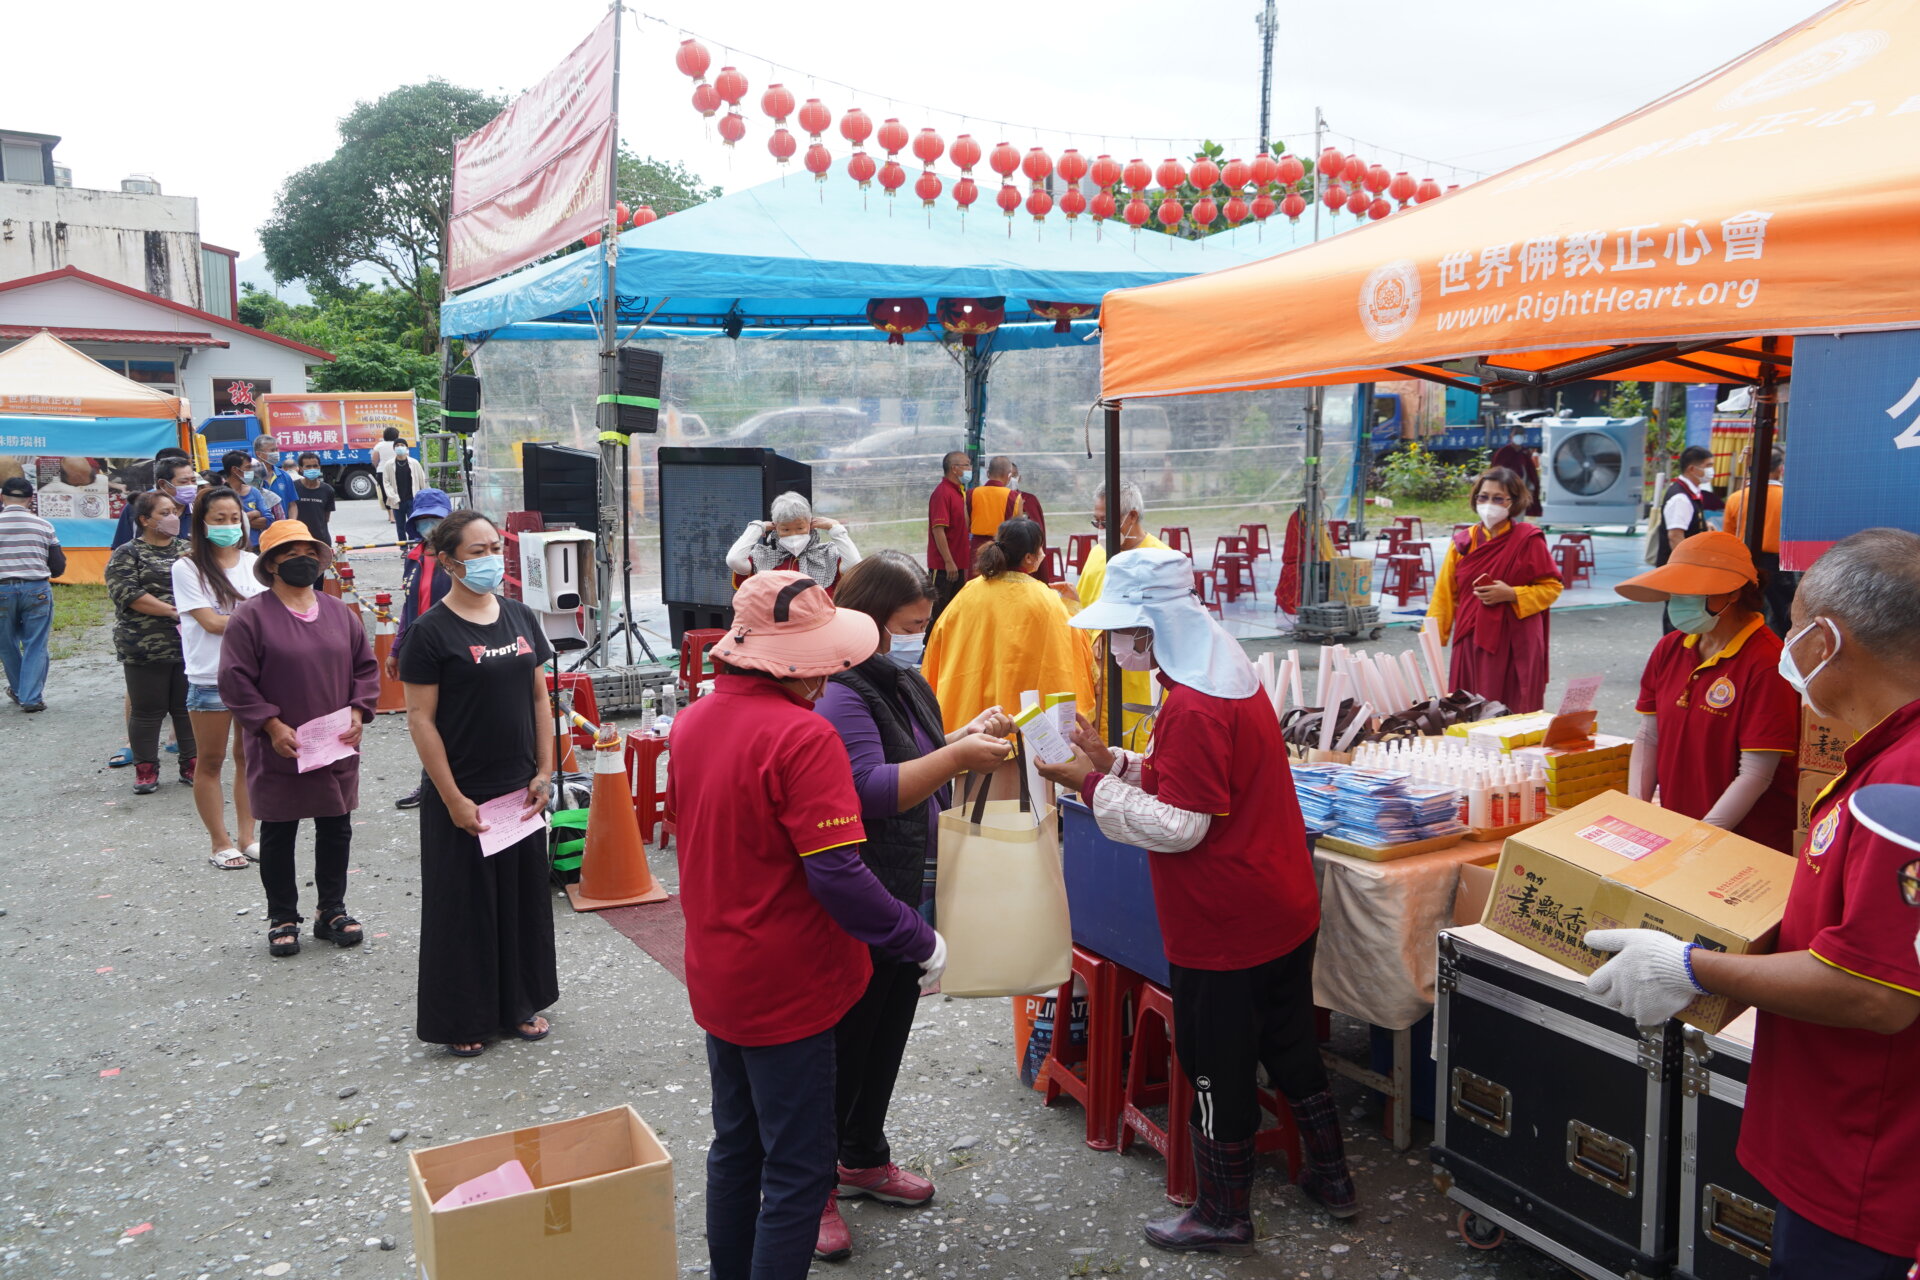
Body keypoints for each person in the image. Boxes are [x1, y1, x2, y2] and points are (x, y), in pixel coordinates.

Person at [1584, 528, 1920, 1280]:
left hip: (1864, 1159)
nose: (1787, 643)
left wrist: (1694, 967)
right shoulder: (1888, 754)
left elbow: (1877, 994)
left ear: (1828, 640)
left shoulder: (1904, 782)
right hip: (1847, 1138)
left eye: (1796, 625)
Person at [1033, 547, 1356, 1255]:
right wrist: (1113, 760)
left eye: (1119, 633)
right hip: (1280, 903)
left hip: (1224, 921)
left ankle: (1223, 1211)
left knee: (1214, 1064)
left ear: (1147, 632)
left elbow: (1182, 824)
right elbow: (1195, 782)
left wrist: (1086, 787)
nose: (1111, 645)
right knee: (1292, 1041)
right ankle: (1334, 1179)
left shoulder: (1192, 706)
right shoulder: (1226, 673)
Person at [667, 571, 945, 1280]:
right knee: (798, 1167)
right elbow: (839, 874)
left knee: (736, 1145)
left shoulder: (694, 718)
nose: (830, 672)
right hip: (790, 981)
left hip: (718, 969)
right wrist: (920, 938)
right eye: (820, 656)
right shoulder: (801, 735)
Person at [811, 553, 1015, 1260]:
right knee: (847, 1040)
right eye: (907, 626)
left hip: (911, 883)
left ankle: (862, 1155)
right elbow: (869, 787)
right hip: (865, 891)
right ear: (865, 623)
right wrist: (957, 760)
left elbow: (918, 753)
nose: (917, 639)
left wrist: (962, 736)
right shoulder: (842, 692)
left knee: (889, 1027)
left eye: (922, 626)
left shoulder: (902, 679)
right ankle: (814, 1191)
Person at [400, 511, 559, 1058]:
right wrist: (451, 798)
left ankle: (519, 1004)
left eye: (496, 547)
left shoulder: (519, 616)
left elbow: (540, 698)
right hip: (463, 790)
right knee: (462, 907)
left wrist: (545, 769)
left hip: (519, 787)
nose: (491, 558)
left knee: (521, 901)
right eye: (477, 550)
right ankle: (462, 1015)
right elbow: (419, 720)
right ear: (448, 562)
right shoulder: (429, 632)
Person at [218, 520, 380, 958]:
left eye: (308, 552)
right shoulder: (250, 617)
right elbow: (235, 681)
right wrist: (270, 725)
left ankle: (332, 910)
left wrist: (360, 710)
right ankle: (282, 917)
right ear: (271, 564)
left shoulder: (338, 613)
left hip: (336, 743)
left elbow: (365, 668)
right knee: (279, 830)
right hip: (280, 745)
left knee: (335, 825)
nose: (301, 561)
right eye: (289, 554)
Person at [1616, 531, 1800, 852]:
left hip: (1746, 842)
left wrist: (1702, 837)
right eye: (1675, 591)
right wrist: (1638, 811)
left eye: (1690, 591)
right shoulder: (1670, 647)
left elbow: (1756, 773)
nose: (1678, 600)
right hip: (1679, 828)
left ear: (1732, 593)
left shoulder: (1768, 663)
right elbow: (1649, 735)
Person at [922, 516, 1097, 745]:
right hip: (1031, 736)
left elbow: (939, 643)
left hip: (972, 726)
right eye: (1040, 549)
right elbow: (1075, 648)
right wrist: (1072, 605)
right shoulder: (1047, 600)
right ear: (1029, 557)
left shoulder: (968, 593)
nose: (1043, 554)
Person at [173, 487, 265, 869]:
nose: (229, 525)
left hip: (254, 676)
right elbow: (211, 624)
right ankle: (219, 842)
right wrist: (254, 620)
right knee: (209, 761)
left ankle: (248, 838)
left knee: (249, 759)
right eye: (219, 519)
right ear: (202, 523)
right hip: (210, 676)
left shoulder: (254, 562)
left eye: (234, 518)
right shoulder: (187, 567)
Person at [1425, 467, 1562, 712]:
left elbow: (1551, 587)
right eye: (1483, 497)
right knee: (1467, 705)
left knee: (1513, 705)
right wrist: (1432, 639)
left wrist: (1513, 594)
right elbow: (1445, 594)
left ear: (1514, 501)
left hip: (1516, 638)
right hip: (1471, 637)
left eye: (1498, 498)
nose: (1489, 504)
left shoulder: (1528, 539)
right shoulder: (1463, 542)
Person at [105, 491, 195, 795]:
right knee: (146, 710)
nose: (173, 518)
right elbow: (128, 594)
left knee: (186, 708)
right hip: (143, 645)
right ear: (145, 519)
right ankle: (145, 770)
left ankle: (191, 765)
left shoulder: (188, 549)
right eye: (165, 513)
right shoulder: (127, 553)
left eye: (174, 512)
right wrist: (174, 611)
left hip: (188, 644)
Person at [1075, 482, 1168, 748]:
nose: (1101, 530)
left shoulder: (1161, 559)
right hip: (1098, 676)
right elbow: (1085, 607)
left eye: (1106, 521)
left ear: (1132, 517)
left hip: (1139, 675)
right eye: (1097, 522)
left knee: (1137, 745)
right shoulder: (1097, 554)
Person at [388, 488, 455, 809]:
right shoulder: (413, 557)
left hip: (454, 648)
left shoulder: (458, 557)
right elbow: (408, 606)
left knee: (453, 719)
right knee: (423, 721)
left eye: (436, 520)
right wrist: (396, 649)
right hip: (420, 650)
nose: (430, 526)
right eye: (424, 520)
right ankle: (430, 784)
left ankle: (451, 786)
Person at [0, 474, 63, 713]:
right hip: (36, 589)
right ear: (30, 499)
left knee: (6, 645)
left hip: (1, 589)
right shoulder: (43, 525)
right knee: (35, 643)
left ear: (1, 497)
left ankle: (19, 691)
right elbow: (57, 566)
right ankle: (31, 697)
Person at [726, 490, 861, 591]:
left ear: (811, 524)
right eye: (786, 530)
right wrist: (756, 528)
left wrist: (836, 529)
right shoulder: (763, 557)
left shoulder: (827, 554)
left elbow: (854, 565)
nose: (793, 534)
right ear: (775, 527)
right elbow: (734, 560)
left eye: (800, 528)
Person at [1723, 446, 1795, 636]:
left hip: (1744, 561)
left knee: (1747, 611)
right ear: (1780, 469)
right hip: (1779, 563)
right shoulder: (1789, 498)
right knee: (1785, 613)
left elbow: (1729, 537)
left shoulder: (1735, 499)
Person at [1656, 445, 1713, 633]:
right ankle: (1672, 656)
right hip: (1679, 570)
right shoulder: (1680, 498)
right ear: (1692, 469)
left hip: (1683, 569)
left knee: (1686, 617)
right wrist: (1687, 569)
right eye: (1708, 465)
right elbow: (1675, 536)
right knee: (1679, 617)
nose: (1711, 471)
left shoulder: (1690, 493)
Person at [110, 448, 194, 549]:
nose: (191, 486)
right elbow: (120, 552)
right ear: (163, 483)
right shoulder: (136, 507)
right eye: (183, 482)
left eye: (193, 480)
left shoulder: (201, 508)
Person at [926, 450, 970, 623]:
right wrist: (948, 561)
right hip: (944, 567)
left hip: (958, 563)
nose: (970, 468)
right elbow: (938, 529)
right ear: (954, 468)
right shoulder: (943, 493)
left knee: (954, 613)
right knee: (938, 613)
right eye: (966, 465)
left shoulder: (959, 492)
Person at [966, 455, 1026, 561]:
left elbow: (965, 524)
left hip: (977, 548)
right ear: (1009, 475)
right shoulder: (1015, 497)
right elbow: (1018, 530)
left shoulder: (971, 494)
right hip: (1003, 548)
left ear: (988, 474)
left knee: (978, 577)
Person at [219, 450, 280, 546]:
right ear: (235, 470)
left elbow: (269, 520)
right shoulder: (219, 494)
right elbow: (223, 525)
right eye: (248, 468)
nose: (251, 471)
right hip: (231, 547)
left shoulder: (254, 492)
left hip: (255, 547)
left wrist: (238, 520)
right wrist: (255, 513)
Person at [378, 438, 426, 543]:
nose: (400, 447)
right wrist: (393, 496)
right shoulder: (389, 465)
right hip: (397, 501)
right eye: (397, 445)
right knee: (400, 526)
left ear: (407, 448)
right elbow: (386, 483)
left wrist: (424, 496)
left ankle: (413, 545)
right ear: (394, 448)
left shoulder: (414, 463)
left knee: (413, 524)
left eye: (402, 445)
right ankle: (403, 547)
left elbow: (422, 480)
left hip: (412, 499)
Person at [1488, 428, 1542, 517]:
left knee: (1518, 516)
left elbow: (1530, 473)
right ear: (1510, 437)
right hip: (1505, 489)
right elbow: (1496, 471)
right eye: (1516, 434)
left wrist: (1531, 488)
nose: (1519, 436)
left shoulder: (1525, 452)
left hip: (1521, 490)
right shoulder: (1503, 452)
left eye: (1521, 434)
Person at [289, 452, 336, 547]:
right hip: (298, 539)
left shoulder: (328, 490)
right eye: (308, 466)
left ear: (320, 467)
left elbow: (326, 518)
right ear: (301, 469)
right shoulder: (293, 487)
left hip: (321, 541)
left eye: (315, 466)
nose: (312, 469)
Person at [255, 434, 300, 517]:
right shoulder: (251, 477)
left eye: (276, 450)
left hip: (281, 528)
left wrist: (291, 523)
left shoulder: (284, 476)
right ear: (259, 454)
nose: (276, 453)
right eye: (272, 450)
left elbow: (292, 505)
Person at [371, 426, 399, 508]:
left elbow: (374, 460)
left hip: (382, 471)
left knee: (385, 492)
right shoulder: (399, 445)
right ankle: (397, 510)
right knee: (397, 491)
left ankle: (391, 515)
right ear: (396, 435)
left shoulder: (379, 445)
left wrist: (377, 467)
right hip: (397, 470)